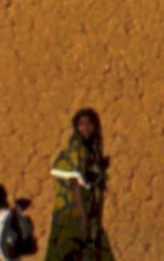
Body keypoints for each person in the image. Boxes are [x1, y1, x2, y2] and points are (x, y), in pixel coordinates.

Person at [45, 107, 116, 260]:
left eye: (89, 124)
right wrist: (83, 219)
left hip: (89, 216)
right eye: (81, 124)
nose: (86, 128)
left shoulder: (91, 152)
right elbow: (74, 185)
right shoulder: (75, 150)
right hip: (72, 216)